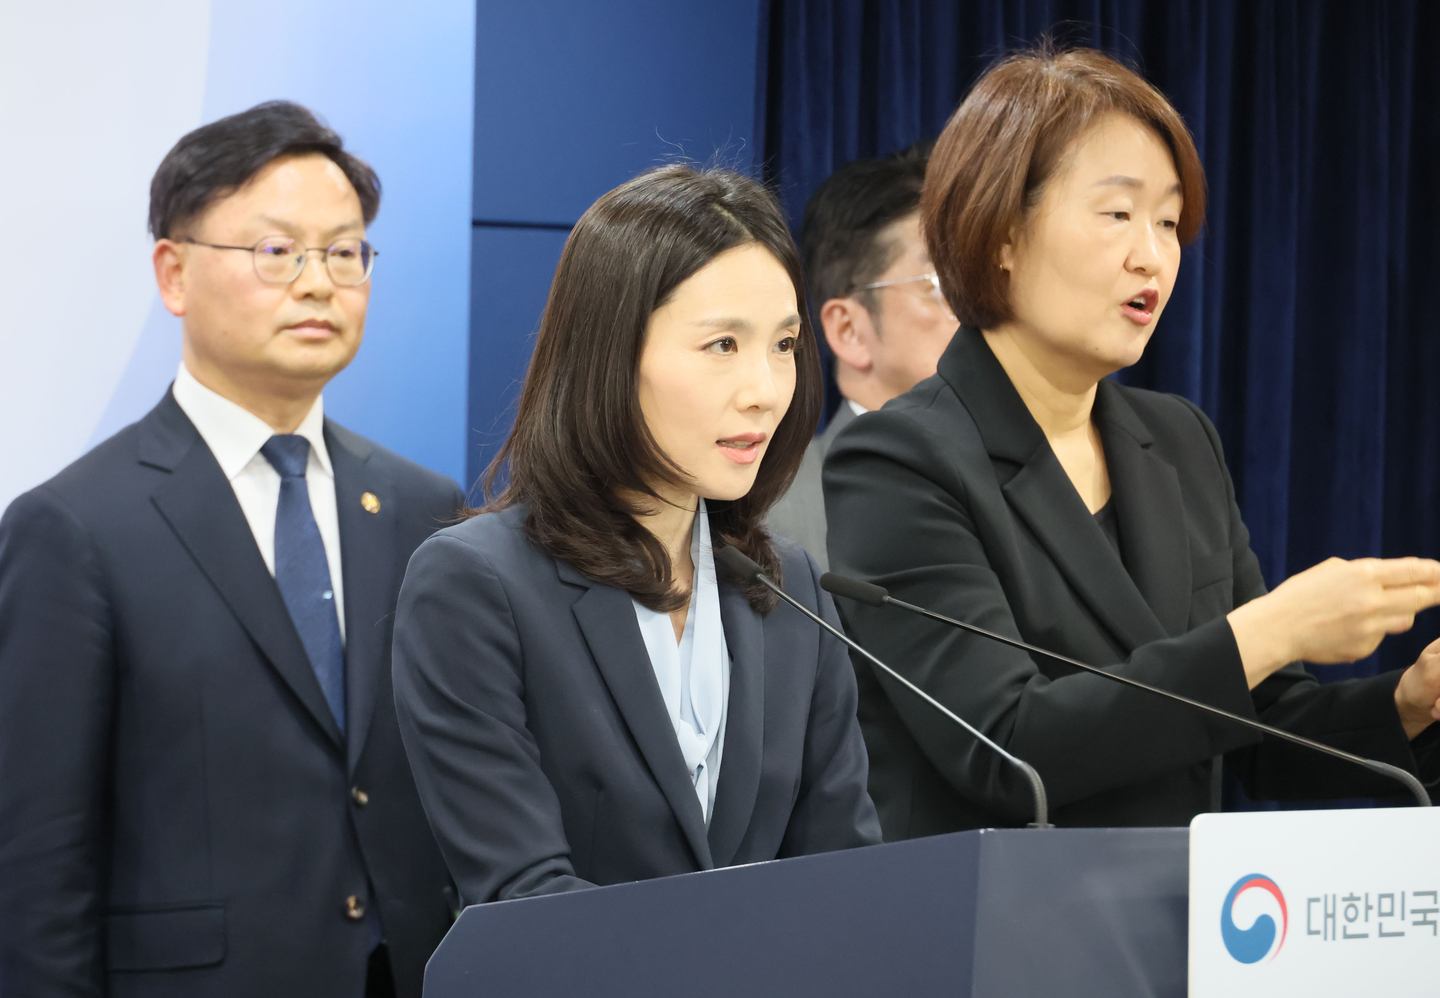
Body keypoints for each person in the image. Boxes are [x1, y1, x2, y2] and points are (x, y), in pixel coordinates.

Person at [823, 48, 1440, 838]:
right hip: (996, 938)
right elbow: (1006, 746)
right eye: (1118, 214)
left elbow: (1259, 726)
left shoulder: (1179, 440)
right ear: (1000, 231)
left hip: (1178, 938)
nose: (1152, 254)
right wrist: (1267, 631)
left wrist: (1407, 705)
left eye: (1170, 222)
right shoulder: (899, 460)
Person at [0, 102, 462, 996]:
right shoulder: (76, 528)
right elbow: (34, 868)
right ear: (174, 274)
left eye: (345, 251)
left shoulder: (420, 507)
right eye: (276, 251)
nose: (319, 283)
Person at [391, 165, 881, 905]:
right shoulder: (474, 585)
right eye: (723, 345)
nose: (766, 388)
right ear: (611, 357)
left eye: (783, 344)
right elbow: (524, 899)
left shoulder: (790, 588)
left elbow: (847, 881)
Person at [767, 143, 958, 569]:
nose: (978, 310)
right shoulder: (773, 516)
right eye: (943, 285)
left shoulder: (1042, 488)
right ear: (849, 330)